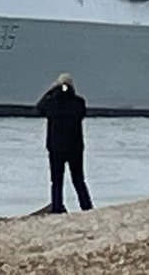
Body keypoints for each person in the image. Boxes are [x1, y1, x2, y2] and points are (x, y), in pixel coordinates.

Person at [36, 73, 93, 213]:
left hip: (56, 147)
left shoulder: (51, 103)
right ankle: (86, 206)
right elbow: (82, 113)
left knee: (56, 181)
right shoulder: (79, 102)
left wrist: (51, 91)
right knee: (79, 179)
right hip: (75, 146)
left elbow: (39, 108)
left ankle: (57, 207)